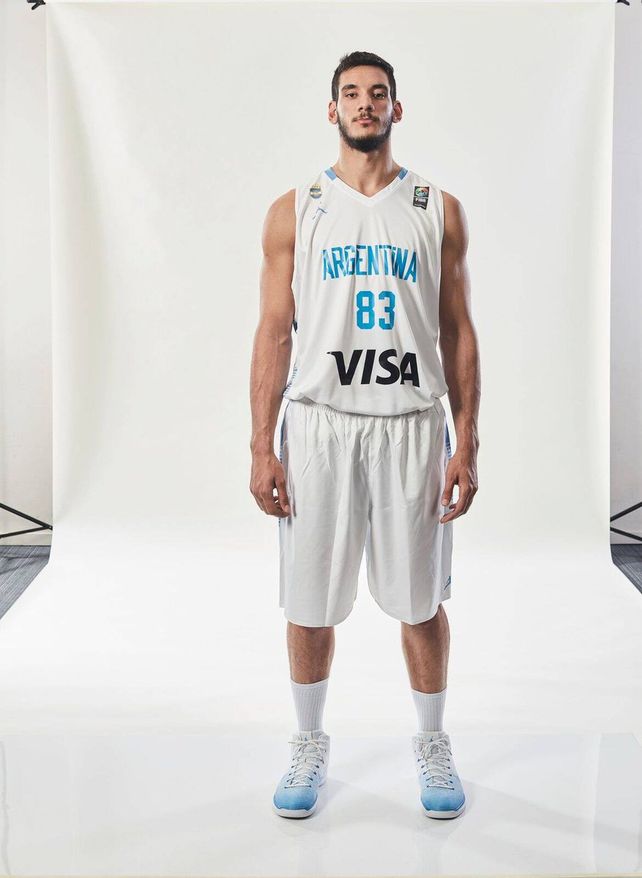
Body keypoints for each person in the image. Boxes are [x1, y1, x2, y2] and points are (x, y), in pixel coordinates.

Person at [249, 50, 480, 820]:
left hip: (411, 423)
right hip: (320, 425)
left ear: (396, 109)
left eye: (378, 93)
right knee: (310, 602)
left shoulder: (437, 207)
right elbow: (274, 331)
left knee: (419, 603)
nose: (365, 104)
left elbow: (457, 329)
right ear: (332, 110)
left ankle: (432, 741)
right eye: (351, 93)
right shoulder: (297, 208)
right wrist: (261, 444)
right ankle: (308, 741)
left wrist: (467, 439)